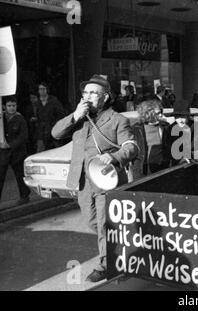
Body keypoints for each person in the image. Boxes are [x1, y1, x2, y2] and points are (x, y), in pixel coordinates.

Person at [51, 75, 139, 282]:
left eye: (93, 92)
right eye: (85, 93)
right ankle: (117, 247)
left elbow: (131, 147)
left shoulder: (118, 120)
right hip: (83, 181)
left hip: (106, 180)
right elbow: (56, 133)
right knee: (94, 222)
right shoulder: (80, 118)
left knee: (105, 225)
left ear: (105, 97)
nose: (88, 96)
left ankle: (106, 266)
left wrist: (114, 156)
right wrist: (74, 115)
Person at [0, 96, 31, 205]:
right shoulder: (1, 117)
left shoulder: (20, 119)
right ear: (4, 107)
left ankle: (24, 196)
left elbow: (23, 137)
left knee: (20, 175)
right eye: (9, 106)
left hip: (17, 152)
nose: (12, 108)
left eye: (13, 106)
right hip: (3, 153)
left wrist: (9, 145)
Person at [136, 100, 171, 175]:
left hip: (164, 166)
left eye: (161, 112)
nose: (161, 115)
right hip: (147, 168)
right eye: (158, 113)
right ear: (148, 114)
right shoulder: (137, 129)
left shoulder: (165, 126)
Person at [36, 82, 66, 152]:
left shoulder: (54, 101)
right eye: (40, 89)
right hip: (41, 131)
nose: (42, 91)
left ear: (47, 89)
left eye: (43, 89)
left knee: (56, 150)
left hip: (53, 129)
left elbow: (61, 114)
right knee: (41, 152)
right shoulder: (37, 103)